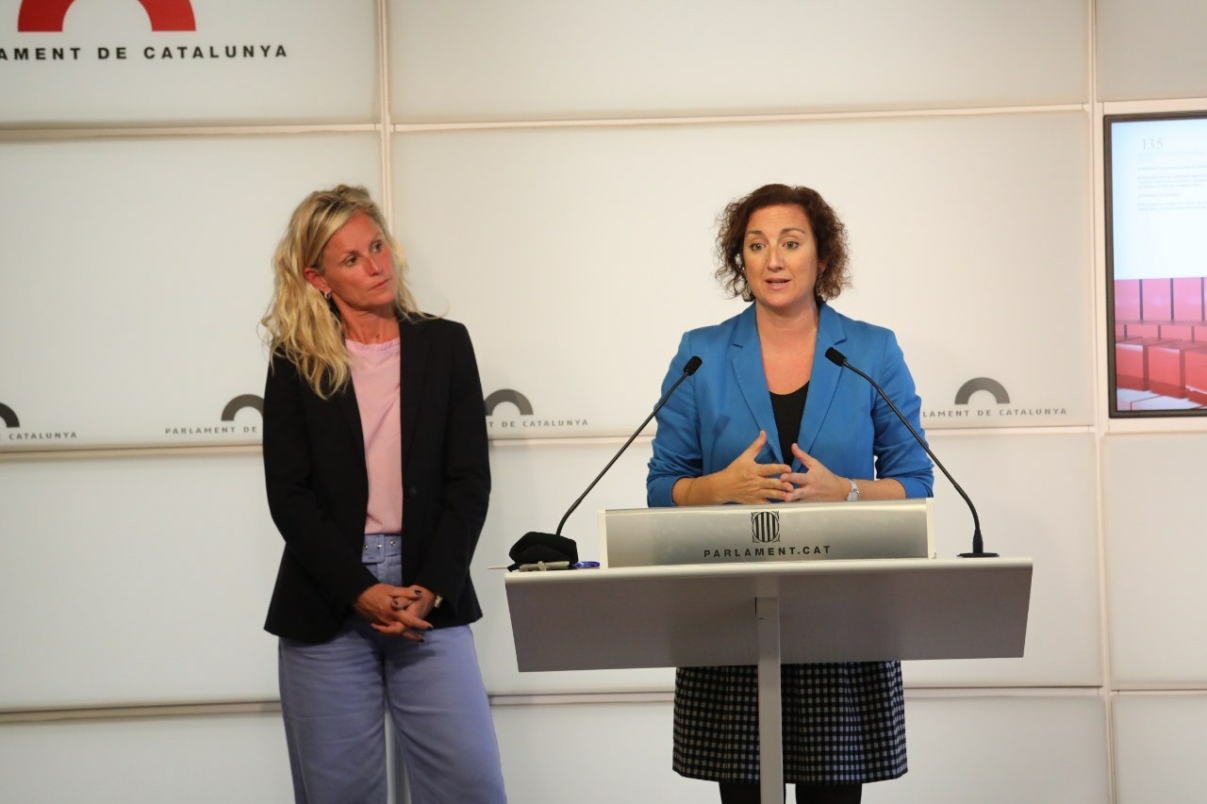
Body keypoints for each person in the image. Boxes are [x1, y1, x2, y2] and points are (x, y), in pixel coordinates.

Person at [646, 183, 934, 804]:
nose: (773, 259)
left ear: (822, 258)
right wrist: (718, 488)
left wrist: (847, 492)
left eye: (790, 242)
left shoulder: (872, 350)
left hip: (843, 609)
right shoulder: (702, 353)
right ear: (740, 262)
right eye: (756, 245)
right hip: (730, 609)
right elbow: (661, 488)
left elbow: (916, 481)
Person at [259, 185, 507, 804]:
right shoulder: (296, 358)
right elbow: (289, 495)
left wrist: (432, 585)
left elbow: (468, 480)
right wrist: (358, 590)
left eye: (377, 246)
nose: (376, 266)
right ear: (318, 278)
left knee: (470, 787)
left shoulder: (446, 344)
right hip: (328, 597)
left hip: (430, 592)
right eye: (352, 259)